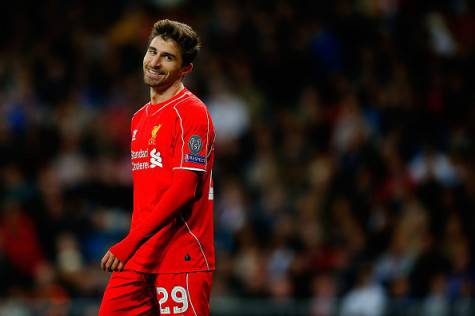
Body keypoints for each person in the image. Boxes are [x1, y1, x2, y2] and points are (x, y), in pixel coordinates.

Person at [99, 19, 215, 315]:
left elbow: (183, 191)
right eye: (152, 51)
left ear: (185, 69)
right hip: (139, 257)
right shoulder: (139, 118)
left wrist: (128, 242)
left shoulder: (192, 113)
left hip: (180, 256)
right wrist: (134, 245)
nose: (154, 62)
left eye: (168, 57)